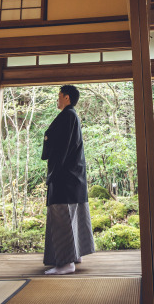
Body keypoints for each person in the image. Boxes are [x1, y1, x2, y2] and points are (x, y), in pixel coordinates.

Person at [40, 84, 94, 275]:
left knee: (62, 218)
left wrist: (53, 174)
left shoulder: (68, 116)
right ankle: (73, 255)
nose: (57, 98)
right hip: (72, 177)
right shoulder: (71, 116)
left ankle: (65, 263)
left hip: (65, 177)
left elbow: (62, 148)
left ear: (67, 98)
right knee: (71, 217)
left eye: (59, 95)